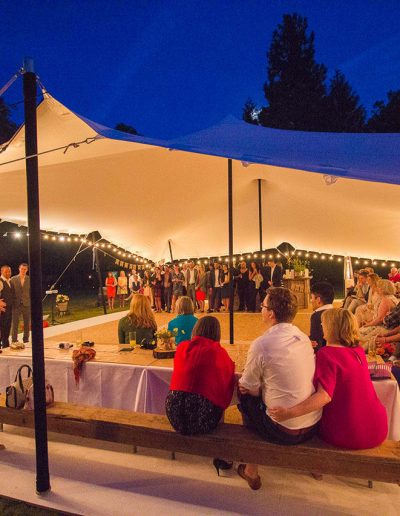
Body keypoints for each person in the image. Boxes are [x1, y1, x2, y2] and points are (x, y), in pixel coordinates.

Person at [237, 287, 321, 490]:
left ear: (271, 314)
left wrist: (256, 390)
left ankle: (251, 469)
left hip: (284, 428)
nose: (261, 308)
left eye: (263, 306)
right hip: (313, 423)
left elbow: (248, 386)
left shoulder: (262, 344)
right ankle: (316, 466)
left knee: (243, 397)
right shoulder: (302, 338)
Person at [270, 308, 388, 450]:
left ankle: (316, 467)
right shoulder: (358, 350)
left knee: (307, 426)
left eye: (323, 323)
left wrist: (289, 413)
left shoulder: (327, 354)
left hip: (352, 433)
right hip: (377, 426)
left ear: (332, 327)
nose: (321, 326)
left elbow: (324, 396)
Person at [165, 316, 235, 436]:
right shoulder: (218, 352)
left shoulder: (182, 347)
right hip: (202, 416)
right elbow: (228, 374)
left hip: (174, 412)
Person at [309, 281, 334, 351]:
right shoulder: (338, 313)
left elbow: (316, 344)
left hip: (325, 355)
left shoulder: (317, 316)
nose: (311, 301)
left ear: (318, 300)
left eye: (312, 297)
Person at [11, 263, 31, 348]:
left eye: (25, 269)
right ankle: (14, 340)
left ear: (27, 270)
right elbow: (10, 292)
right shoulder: (13, 279)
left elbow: (31, 292)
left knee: (27, 323)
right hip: (16, 304)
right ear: (19, 269)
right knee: (15, 323)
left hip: (26, 304)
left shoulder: (29, 279)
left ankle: (26, 339)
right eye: (22, 269)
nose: (23, 270)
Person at [0, 265, 14, 348]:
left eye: (9, 271)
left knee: (7, 326)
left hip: (9, 308)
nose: (8, 273)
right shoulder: (0, 281)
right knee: (2, 327)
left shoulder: (10, 281)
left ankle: (5, 344)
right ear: (1, 272)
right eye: (6, 271)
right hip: (2, 309)